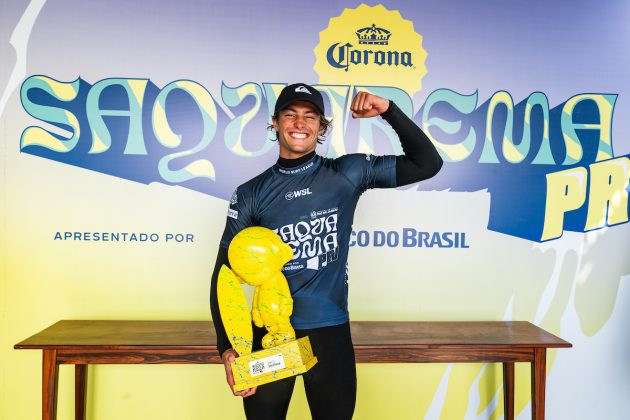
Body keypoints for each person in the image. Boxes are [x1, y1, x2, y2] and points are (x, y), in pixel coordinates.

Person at [210, 83, 443, 420]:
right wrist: (228, 348)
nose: (299, 123)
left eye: (310, 116)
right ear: (275, 123)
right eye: (290, 115)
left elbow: (427, 164)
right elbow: (223, 275)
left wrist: (388, 110)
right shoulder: (250, 194)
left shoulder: (346, 173)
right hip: (269, 337)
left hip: (329, 331)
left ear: (321, 127)